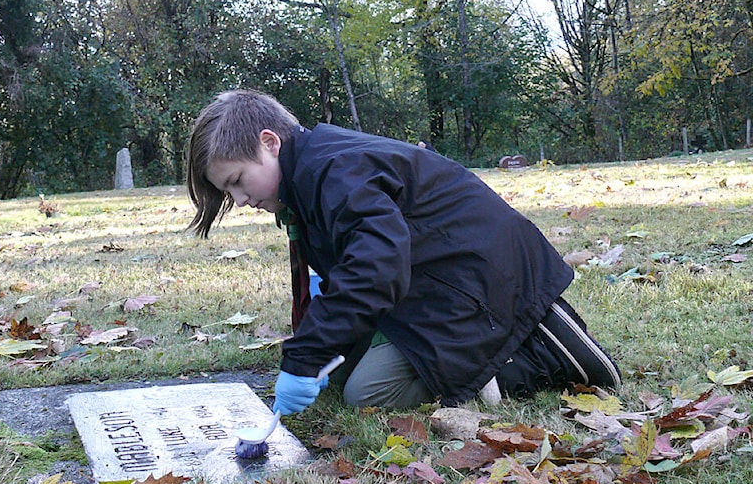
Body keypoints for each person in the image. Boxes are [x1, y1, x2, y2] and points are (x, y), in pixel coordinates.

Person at [186, 89, 620, 416]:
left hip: (482, 284)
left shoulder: (333, 171)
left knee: (366, 394)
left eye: (238, 181)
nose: (240, 200)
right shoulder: (309, 174)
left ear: (270, 142)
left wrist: (304, 356)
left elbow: (375, 268)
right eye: (229, 191)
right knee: (335, 375)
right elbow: (354, 265)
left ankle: (542, 352)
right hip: (428, 287)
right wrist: (316, 346)